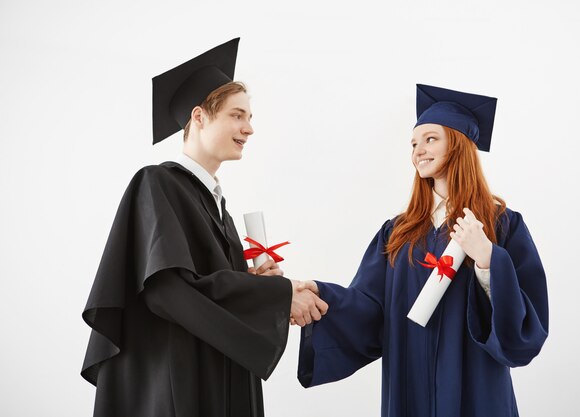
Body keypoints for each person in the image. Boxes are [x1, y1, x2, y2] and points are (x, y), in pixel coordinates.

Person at [81, 38, 327, 417]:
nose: (249, 128)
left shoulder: (217, 205)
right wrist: (277, 296)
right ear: (199, 117)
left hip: (212, 373)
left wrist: (259, 285)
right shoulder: (156, 184)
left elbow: (203, 285)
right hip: (176, 381)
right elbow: (166, 289)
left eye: (249, 117)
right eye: (237, 115)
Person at [297, 84, 549, 417]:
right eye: (414, 143)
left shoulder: (501, 225)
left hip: (477, 390)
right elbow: (371, 307)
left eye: (430, 139)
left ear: (458, 145)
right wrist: (321, 293)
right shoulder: (397, 232)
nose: (418, 150)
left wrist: (488, 259)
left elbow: (525, 329)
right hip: (409, 387)